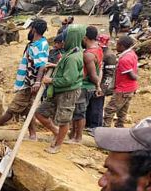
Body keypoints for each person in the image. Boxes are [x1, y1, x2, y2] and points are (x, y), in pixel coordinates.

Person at [0, 18, 49, 140]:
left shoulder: (39, 46)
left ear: (33, 30)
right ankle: (33, 134)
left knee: (13, 108)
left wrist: (37, 81)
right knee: (29, 110)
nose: (29, 31)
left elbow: (42, 65)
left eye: (30, 29)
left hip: (29, 84)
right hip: (28, 82)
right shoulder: (36, 44)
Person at [33, 25, 85, 154]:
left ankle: (57, 145)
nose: (62, 42)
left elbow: (69, 79)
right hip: (58, 90)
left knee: (63, 119)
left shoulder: (73, 57)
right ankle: (56, 132)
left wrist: (51, 80)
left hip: (67, 92)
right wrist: (55, 66)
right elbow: (66, 69)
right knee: (40, 112)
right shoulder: (71, 52)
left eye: (65, 38)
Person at [69, 26, 103, 144]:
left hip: (85, 86)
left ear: (85, 38)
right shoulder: (98, 49)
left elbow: (93, 75)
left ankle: (78, 138)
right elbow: (100, 69)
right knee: (77, 112)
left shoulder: (88, 54)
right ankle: (73, 134)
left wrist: (98, 86)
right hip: (88, 86)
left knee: (79, 112)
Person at [104, 35, 138, 128]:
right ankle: (119, 128)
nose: (116, 46)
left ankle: (105, 130)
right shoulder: (131, 54)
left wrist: (135, 76)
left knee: (109, 110)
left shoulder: (124, 59)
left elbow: (132, 76)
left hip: (123, 89)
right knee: (122, 112)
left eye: (117, 45)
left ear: (122, 46)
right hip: (130, 88)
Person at [86, 34, 117, 133]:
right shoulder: (97, 52)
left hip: (101, 85)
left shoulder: (109, 56)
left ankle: (96, 127)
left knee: (97, 107)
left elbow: (109, 75)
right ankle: (89, 124)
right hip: (94, 83)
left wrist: (102, 89)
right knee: (90, 106)